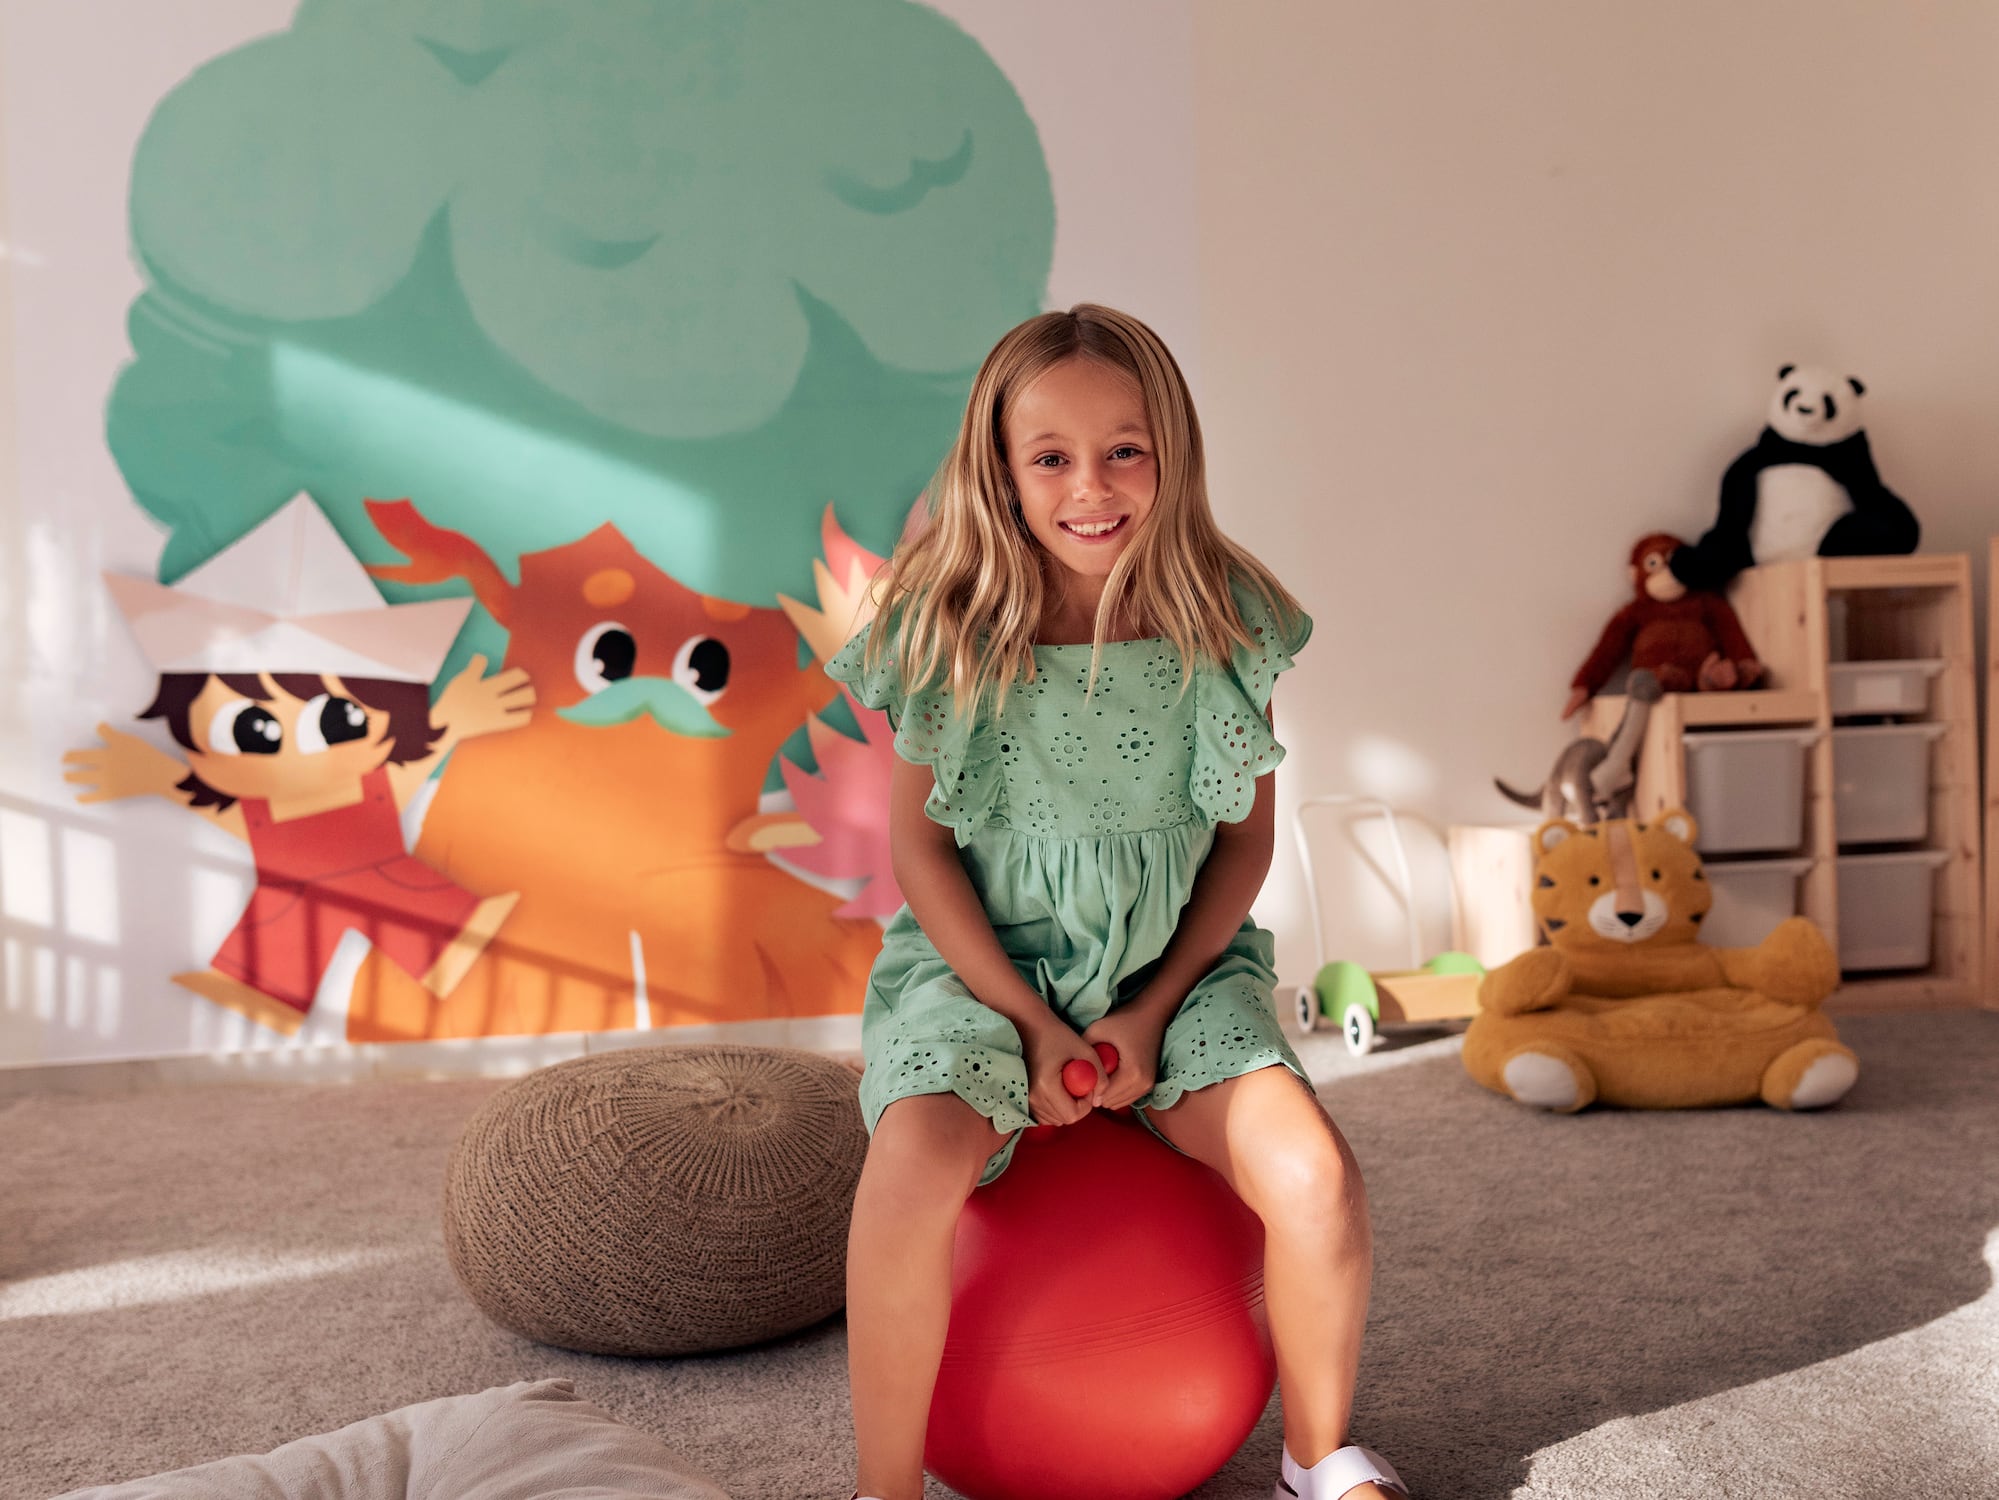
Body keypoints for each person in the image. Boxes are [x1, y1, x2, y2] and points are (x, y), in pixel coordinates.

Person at [825, 305, 1406, 1500]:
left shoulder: (1226, 616)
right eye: (1051, 459)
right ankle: (883, 1492)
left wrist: (1151, 1012)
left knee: (1314, 1176)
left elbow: (1243, 844)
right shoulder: (949, 624)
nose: (1092, 488)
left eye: (1124, 450)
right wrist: (1030, 1024)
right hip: (981, 970)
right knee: (908, 1170)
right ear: (1003, 470)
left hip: (1179, 971)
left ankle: (1317, 1455)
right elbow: (922, 858)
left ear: (1172, 452)